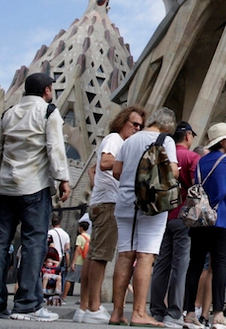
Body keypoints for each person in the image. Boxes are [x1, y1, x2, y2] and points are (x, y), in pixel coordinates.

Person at [0, 72, 70, 321]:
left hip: (5, 188)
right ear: (46, 90)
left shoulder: (8, 113)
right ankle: (27, 305)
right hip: (34, 187)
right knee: (33, 245)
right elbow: (55, 147)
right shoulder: (48, 112)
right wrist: (63, 178)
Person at [110, 108, 179, 327]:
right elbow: (174, 172)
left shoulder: (129, 140)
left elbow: (116, 171)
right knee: (146, 256)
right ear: (167, 125)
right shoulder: (164, 140)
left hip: (125, 202)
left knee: (125, 255)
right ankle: (139, 312)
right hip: (152, 204)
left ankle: (117, 312)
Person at [76, 105, 146, 324]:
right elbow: (106, 162)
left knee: (95, 255)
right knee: (101, 256)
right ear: (122, 121)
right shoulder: (115, 139)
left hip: (102, 202)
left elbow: (96, 168)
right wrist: (130, 167)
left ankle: (85, 306)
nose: (137, 128)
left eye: (140, 126)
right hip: (108, 204)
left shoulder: (118, 142)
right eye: (133, 123)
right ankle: (94, 308)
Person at [184, 122, 226, 329]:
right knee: (219, 266)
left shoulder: (200, 162)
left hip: (200, 220)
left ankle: (190, 313)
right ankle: (218, 315)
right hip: (222, 219)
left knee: (195, 265)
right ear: (223, 141)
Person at [150, 121, 199, 329]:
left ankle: (156, 310)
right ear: (188, 136)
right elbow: (199, 186)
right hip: (183, 215)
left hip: (162, 215)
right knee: (180, 265)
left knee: (161, 264)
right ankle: (174, 311)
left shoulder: (165, 154)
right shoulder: (192, 158)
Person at [62, 221, 90, 304]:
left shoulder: (80, 237)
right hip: (86, 261)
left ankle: (63, 298)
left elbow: (77, 250)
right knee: (84, 281)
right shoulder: (89, 237)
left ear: (81, 228)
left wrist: (73, 262)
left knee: (69, 279)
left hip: (79, 261)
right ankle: (83, 299)